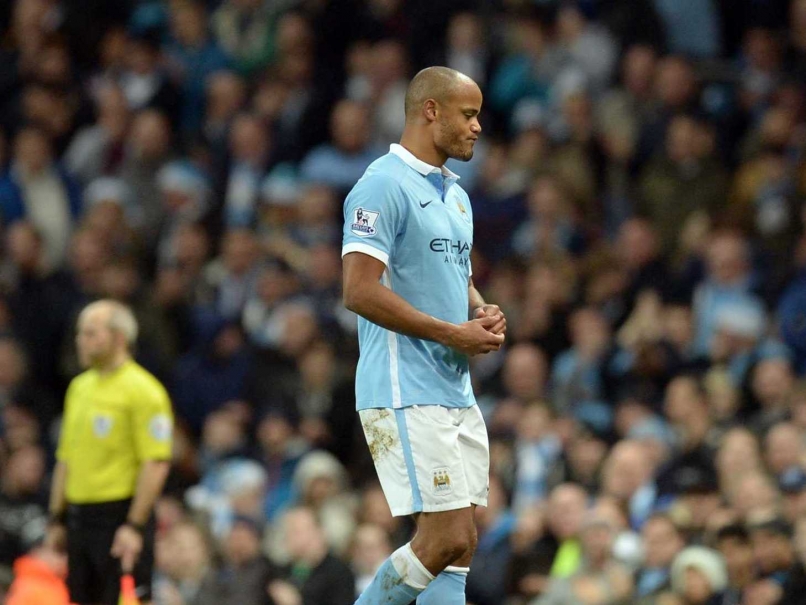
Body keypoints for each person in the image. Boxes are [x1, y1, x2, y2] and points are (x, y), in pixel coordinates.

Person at [342, 66, 506, 605]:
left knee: (461, 548)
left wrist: (481, 311)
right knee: (445, 537)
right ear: (430, 110)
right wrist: (451, 334)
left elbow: (457, 277)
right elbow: (359, 291)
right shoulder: (381, 185)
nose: (478, 126)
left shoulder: (456, 195)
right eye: (469, 114)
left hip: (452, 388)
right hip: (402, 386)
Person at [46, 300, 174, 605]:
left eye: (91, 333)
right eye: (80, 333)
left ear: (119, 337)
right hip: (79, 517)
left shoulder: (145, 391)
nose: (81, 341)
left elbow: (155, 463)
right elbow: (66, 458)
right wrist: (56, 518)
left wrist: (134, 526)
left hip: (118, 517)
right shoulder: (79, 387)